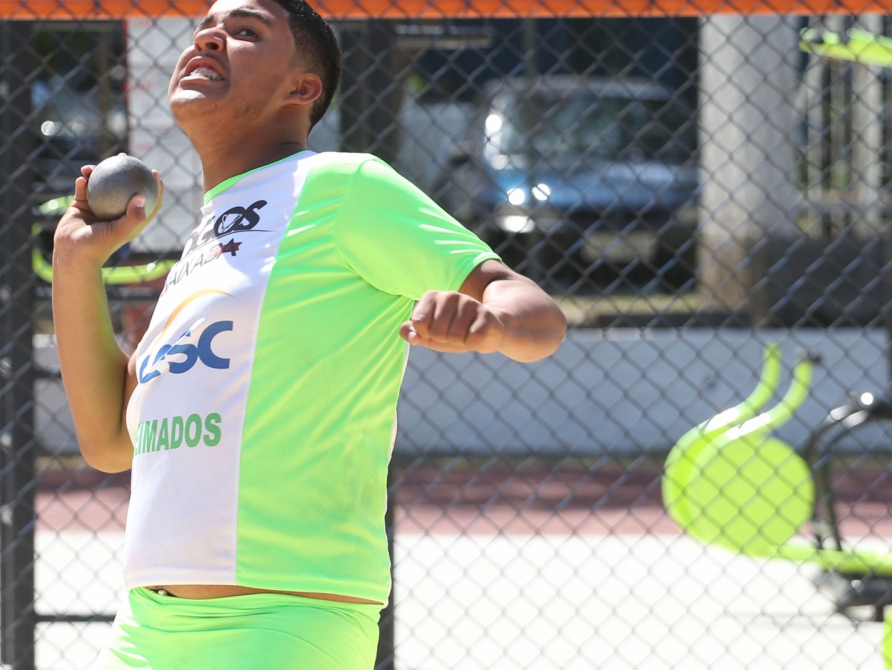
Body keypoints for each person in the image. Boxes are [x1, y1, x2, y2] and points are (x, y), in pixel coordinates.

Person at [52, 0, 567, 666]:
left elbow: (539, 316)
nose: (210, 38)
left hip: (287, 618)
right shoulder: (209, 236)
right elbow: (109, 440)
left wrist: (491, 324)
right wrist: (75, 263)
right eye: (206, 28)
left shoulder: (342, 186)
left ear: (302, 89)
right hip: (149, 627)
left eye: (244, 33)